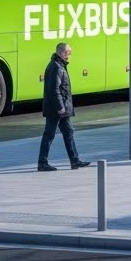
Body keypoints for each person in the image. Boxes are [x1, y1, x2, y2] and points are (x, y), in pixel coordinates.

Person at [37, 42, 90, 171]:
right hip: (56, 109)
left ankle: (74, 161)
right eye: (68, 52)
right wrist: (60, 107)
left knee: (68, 132)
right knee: (49, 134)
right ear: (61, 53)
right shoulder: (56, 67)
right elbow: (54, 90)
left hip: (60, 108)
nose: (70, 54)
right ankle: (42, 163)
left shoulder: (59, 65)